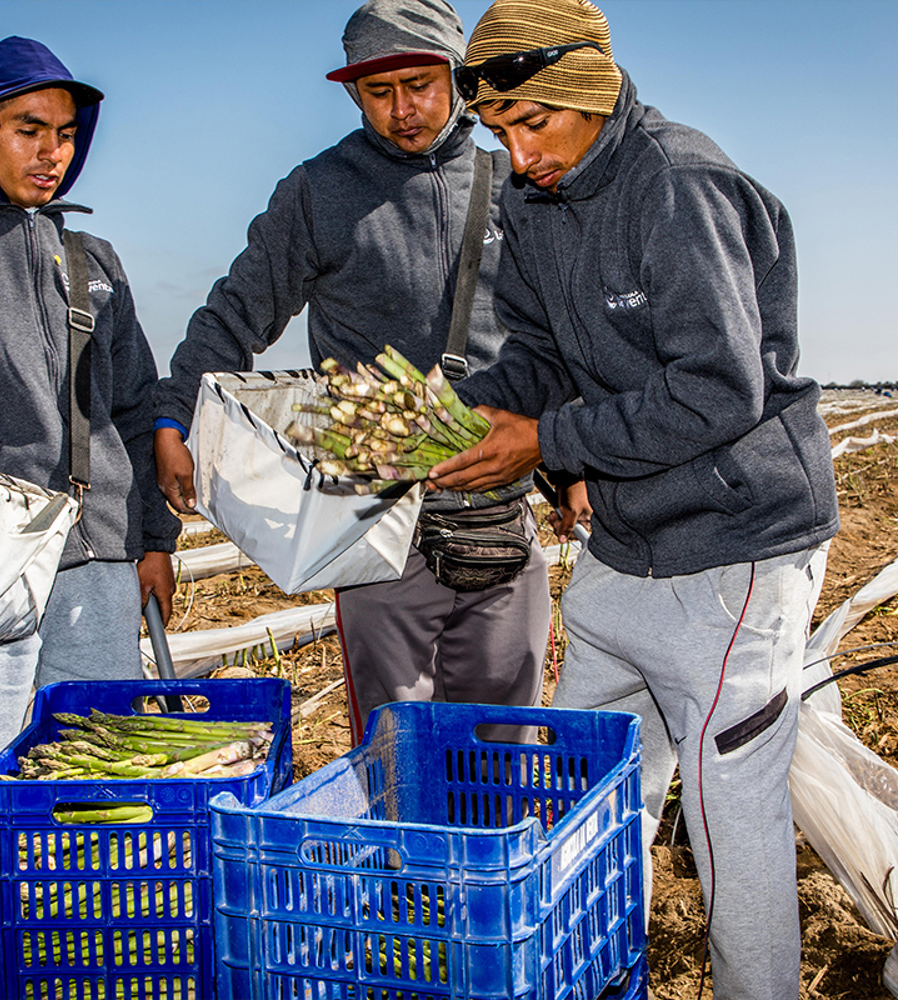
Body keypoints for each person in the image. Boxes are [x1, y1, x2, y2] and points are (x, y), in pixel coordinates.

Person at [428, 1, 839, 998]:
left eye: (531, 123)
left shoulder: (677, 184)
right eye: (497, 133)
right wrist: (455, 413)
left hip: (734, 545)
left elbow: (716, 387)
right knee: (583, 781)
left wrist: (549, 440)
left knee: (726, 802)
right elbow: (532, 352)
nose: (518, 155)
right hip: (626, 540)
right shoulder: (529, 201)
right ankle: (595, 973)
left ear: (586, 89)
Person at [153, 0, 551, 743]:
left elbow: (561, 334)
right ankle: (409, 861)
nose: (402, 110)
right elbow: (234, 314)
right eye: (379, 92)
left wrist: (574, 458)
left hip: (503, 516)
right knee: (400, 745)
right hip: (378, 524)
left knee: (505, 743)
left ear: (460, 79)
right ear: (352, 95)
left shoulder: (516, 181)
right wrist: (176, 417)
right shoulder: (319, 191)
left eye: (421, 85)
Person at [0, 37, 179, 999]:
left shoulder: (90, 256)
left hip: (97, 555)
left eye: (66, 133)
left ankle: (77, 934)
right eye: (29, 130)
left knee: (95, 754)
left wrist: (153, 540)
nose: (51, 151)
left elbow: (136, 407)